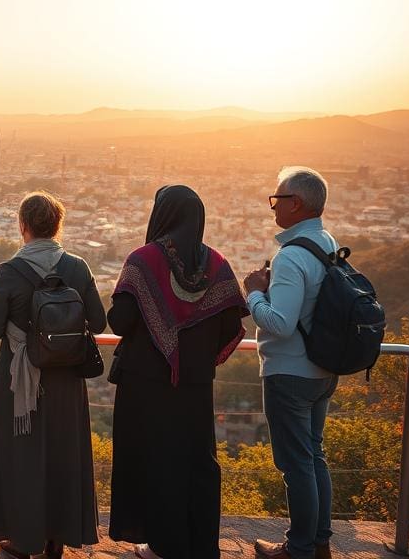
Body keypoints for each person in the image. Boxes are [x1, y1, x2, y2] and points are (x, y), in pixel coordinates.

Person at [106, 185, 248, 559]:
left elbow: (119, 322)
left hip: (145, 386)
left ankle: (161, 544)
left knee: (153, 461)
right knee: (194, 463)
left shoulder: (142, 262)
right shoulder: (217, 266)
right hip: (195, 386)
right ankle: (198, 545)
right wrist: (196, 357)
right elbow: (232, 327)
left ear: (162, 216)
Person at [0, 191, 106, 559]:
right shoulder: (77, 268)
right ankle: (56, 537)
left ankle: (21, 536)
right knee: (63, 455)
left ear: (23, 226)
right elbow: (98, 321)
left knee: (21, 458)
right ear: (58, 226)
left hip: (20, 381)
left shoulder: (9, 271)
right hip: (65, 378)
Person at [243, 167, 339, 559]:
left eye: (277, 200)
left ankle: (297, 549)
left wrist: (253, 295)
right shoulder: (326, 242)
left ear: (295, 204)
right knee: (314, 456)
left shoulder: (291, 256)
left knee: (295, 463)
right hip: (322, 368)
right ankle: (319, 543)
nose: (273, 208)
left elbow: (280, 324)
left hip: (290, 372)